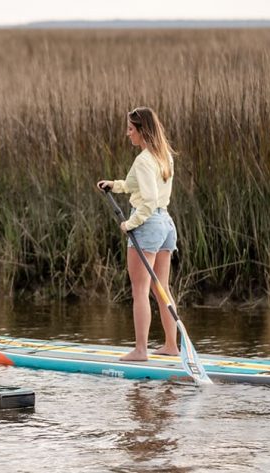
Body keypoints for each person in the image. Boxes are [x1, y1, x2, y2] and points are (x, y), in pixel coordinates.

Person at [96, 107, 180, 362]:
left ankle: (141, 350)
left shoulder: (144, 160)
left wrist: (131, 223)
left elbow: (150, 199)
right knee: (161, 287)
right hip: (166, 225)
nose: (127, 133)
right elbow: (136, 186)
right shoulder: (163, 156)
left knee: (140, 290)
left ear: (142, 131)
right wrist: (114, 184)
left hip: (148, 224)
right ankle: (171, 346)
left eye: (131, 129)